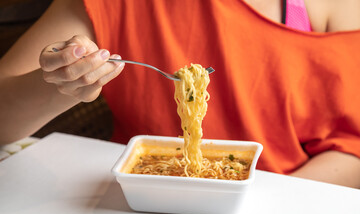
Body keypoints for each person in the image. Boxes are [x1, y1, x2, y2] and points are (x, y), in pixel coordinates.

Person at [1, 0, 360, 188]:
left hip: (291, 201)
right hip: (138, 204)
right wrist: (64, 81)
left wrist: (246, 202)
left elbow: (353, 146)